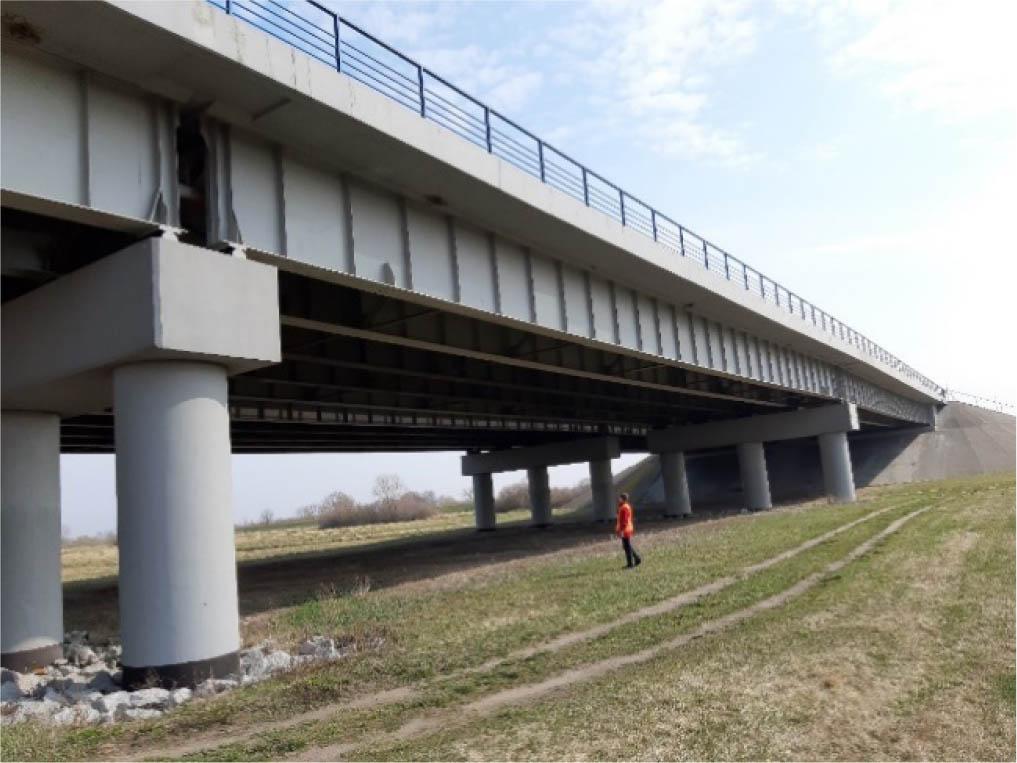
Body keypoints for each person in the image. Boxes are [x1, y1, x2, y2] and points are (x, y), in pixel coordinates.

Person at [615, 493, 642, 568]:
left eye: (619, 498)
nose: (618, 499)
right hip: (626, 529)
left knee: (627, 547)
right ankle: (637, 559)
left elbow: (624, 521)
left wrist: (621, 531)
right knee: (627, 546)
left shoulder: (624, 508)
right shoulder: (624, 507)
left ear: (623, 499)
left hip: (625, 530)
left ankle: (630, 564)